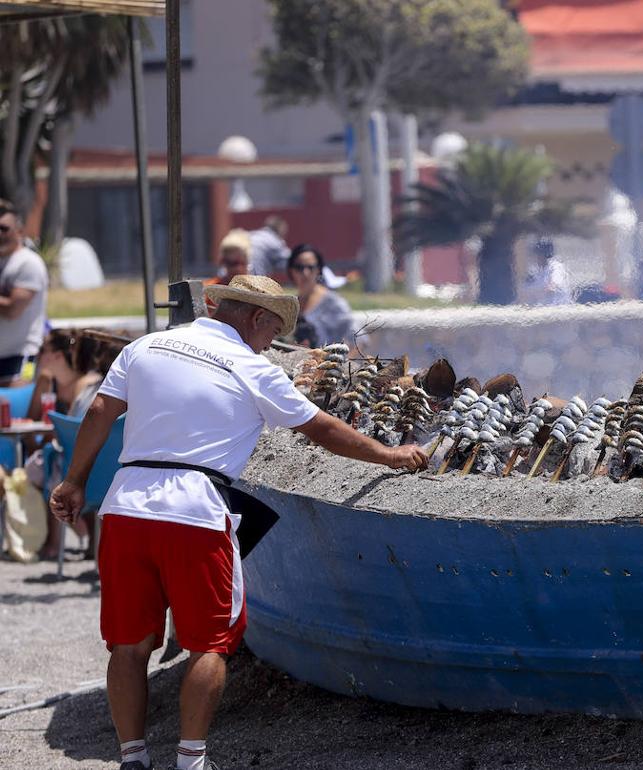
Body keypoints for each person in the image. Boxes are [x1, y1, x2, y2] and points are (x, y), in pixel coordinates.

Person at [50, 275, 427, 770]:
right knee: (208, 644)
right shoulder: (253, 367)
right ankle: (191, 761)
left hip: (126, 509)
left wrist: (74, 482)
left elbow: (100, 410)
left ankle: (133, 758)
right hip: (196, 512)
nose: (271, 342)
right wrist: (389, 454)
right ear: (255, 317)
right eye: (272, 330)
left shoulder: (146, 346)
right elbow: (321, 428)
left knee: (128, 644)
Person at [26, 329, 105, 559]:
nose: (38, 355)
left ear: (58, 355)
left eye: (43, 350)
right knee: (44, 465)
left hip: (76, 458)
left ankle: (57, 542)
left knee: (51, 468)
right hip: (65, 454)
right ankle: (68, 537)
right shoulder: (46, 381)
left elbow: (75, 432)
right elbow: (31, 422)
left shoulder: (86, 385)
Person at [0, 199, 48, 384]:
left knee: (18, 400)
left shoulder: (28, 263)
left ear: (19, 231)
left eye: (4, 228)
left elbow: (13, 310)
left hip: (24, 357)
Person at [287, 244, 354, 349]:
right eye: (299, 267)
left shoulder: (334, 303)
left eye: (310, 267)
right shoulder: (290, 305)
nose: (305, 273)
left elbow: (358, 341)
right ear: (291, 270)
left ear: (318, 269)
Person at [523, 238, 572, 305]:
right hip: (544, 307)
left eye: (537, 254)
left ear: (544, 254)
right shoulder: (537, 270)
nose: (535, 257)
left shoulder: (556, 267)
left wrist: (534, 292)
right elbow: (526, 288)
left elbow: (552, 287)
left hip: (559, 307)